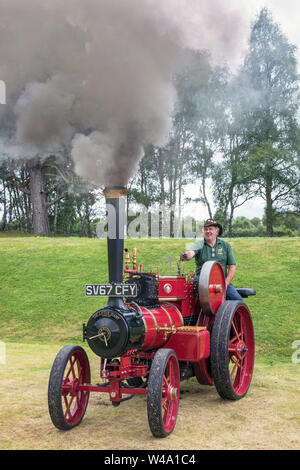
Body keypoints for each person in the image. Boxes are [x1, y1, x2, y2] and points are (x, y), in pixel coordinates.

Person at [180, 218, 242, 301]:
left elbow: (232, 266)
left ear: (217, 232)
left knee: (238, 301)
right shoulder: (199, 244)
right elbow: (191, 252)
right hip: (201, 282)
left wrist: (226, 283)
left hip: (222, 282)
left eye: (210, 229)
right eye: (206, 229)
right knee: (189, 299)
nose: (208, 231)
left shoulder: (225, 245)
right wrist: (186, 255)